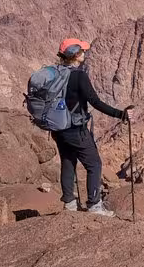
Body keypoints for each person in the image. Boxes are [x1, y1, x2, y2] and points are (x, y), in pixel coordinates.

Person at [52, 38, 133, 216]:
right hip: (75, 129)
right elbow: (95, 102)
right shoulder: (79, 75)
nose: (85, 54)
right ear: (75, 54)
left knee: (67, 162)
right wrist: (121, 114)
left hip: (58, 129)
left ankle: (69, 204)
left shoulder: (55, 73)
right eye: (82, 51)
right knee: (94, 164)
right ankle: (94, 205)